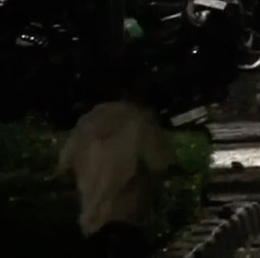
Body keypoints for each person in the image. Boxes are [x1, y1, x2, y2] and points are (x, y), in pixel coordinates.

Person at [56, 71, 174, 258]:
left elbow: (65, 167)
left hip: (92, 225)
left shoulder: (86, 123)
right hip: (128, 220)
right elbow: (160, 165)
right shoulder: (142, 120)